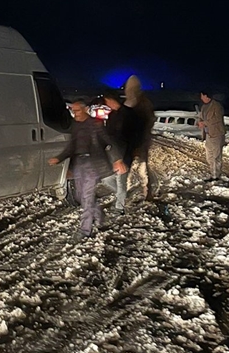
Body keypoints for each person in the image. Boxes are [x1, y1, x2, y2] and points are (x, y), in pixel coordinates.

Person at [49, 96, 126, 236]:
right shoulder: (76, 126)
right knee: (80, 196)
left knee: (87, 196)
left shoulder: (95, 124)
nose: (75, 113)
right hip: (79, 164)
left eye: (78, 110)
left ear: (85, 109)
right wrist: (59, 158)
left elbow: (109, 142)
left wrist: (117, 159)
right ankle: (99, 216)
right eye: (73, 110)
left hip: (93, 163)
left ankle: (85, 230)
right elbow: (71, 146)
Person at [99, 87, 143, 215]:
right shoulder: (112, 115)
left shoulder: (129, 115)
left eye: (107, 101)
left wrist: (135, 150)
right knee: (106, 177)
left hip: (124, 153)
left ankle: (119, 208)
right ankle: (122, 195)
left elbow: (135, 135)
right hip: (113, 152)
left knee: (121, 180)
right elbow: (108, 135)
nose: (106, 104)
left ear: (112, 100)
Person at [123, 74, 156, 199]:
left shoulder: (139, 103)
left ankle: (146, 190)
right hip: (132, 142)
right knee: (136, 167)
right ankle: (133, 190)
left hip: (139, 142)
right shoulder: (135, 103)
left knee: (141, 168)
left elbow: (147, 122)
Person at [197, 90, 226, 179]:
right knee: (209, 155)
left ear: (206, 96)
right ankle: (212, 173)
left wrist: (205, 123)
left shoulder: (216, 106)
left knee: (216, 155)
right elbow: (201, 118)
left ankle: (216, 176)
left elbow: (217, 119)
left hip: (216, 133)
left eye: (202, 95)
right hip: (208, 133)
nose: (200, 97)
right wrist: (199, 123)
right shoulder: (204, 107)